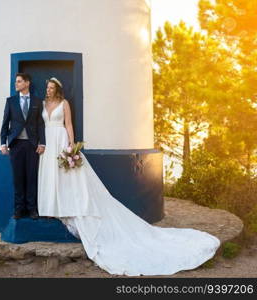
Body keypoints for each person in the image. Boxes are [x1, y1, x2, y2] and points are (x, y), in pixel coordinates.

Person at [37, 77, 221, 276]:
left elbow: (69, 125)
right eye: (47, 87)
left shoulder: (64, 104)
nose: (48, 90)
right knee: (51, 175)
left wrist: (71, 146)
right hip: (48, 142)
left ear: (58, 89)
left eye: (52, 87)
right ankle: (52, 205)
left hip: (61, 140)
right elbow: (39, 125)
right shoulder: (43, 104)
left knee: (67, 176)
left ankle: (67, 203)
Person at [0, 73, 46, 220]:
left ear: (27, 83)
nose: (16, 84)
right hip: (16, 145)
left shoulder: (37, 101)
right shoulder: (11, 101)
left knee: (32, 177)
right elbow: (5, 123)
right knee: (18, 178)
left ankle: (32, 209)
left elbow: (40, 124)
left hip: (32, 145)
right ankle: (19, 209)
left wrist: (42, 142)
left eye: (19, 81)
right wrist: (3, 143)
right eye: (16, 82)